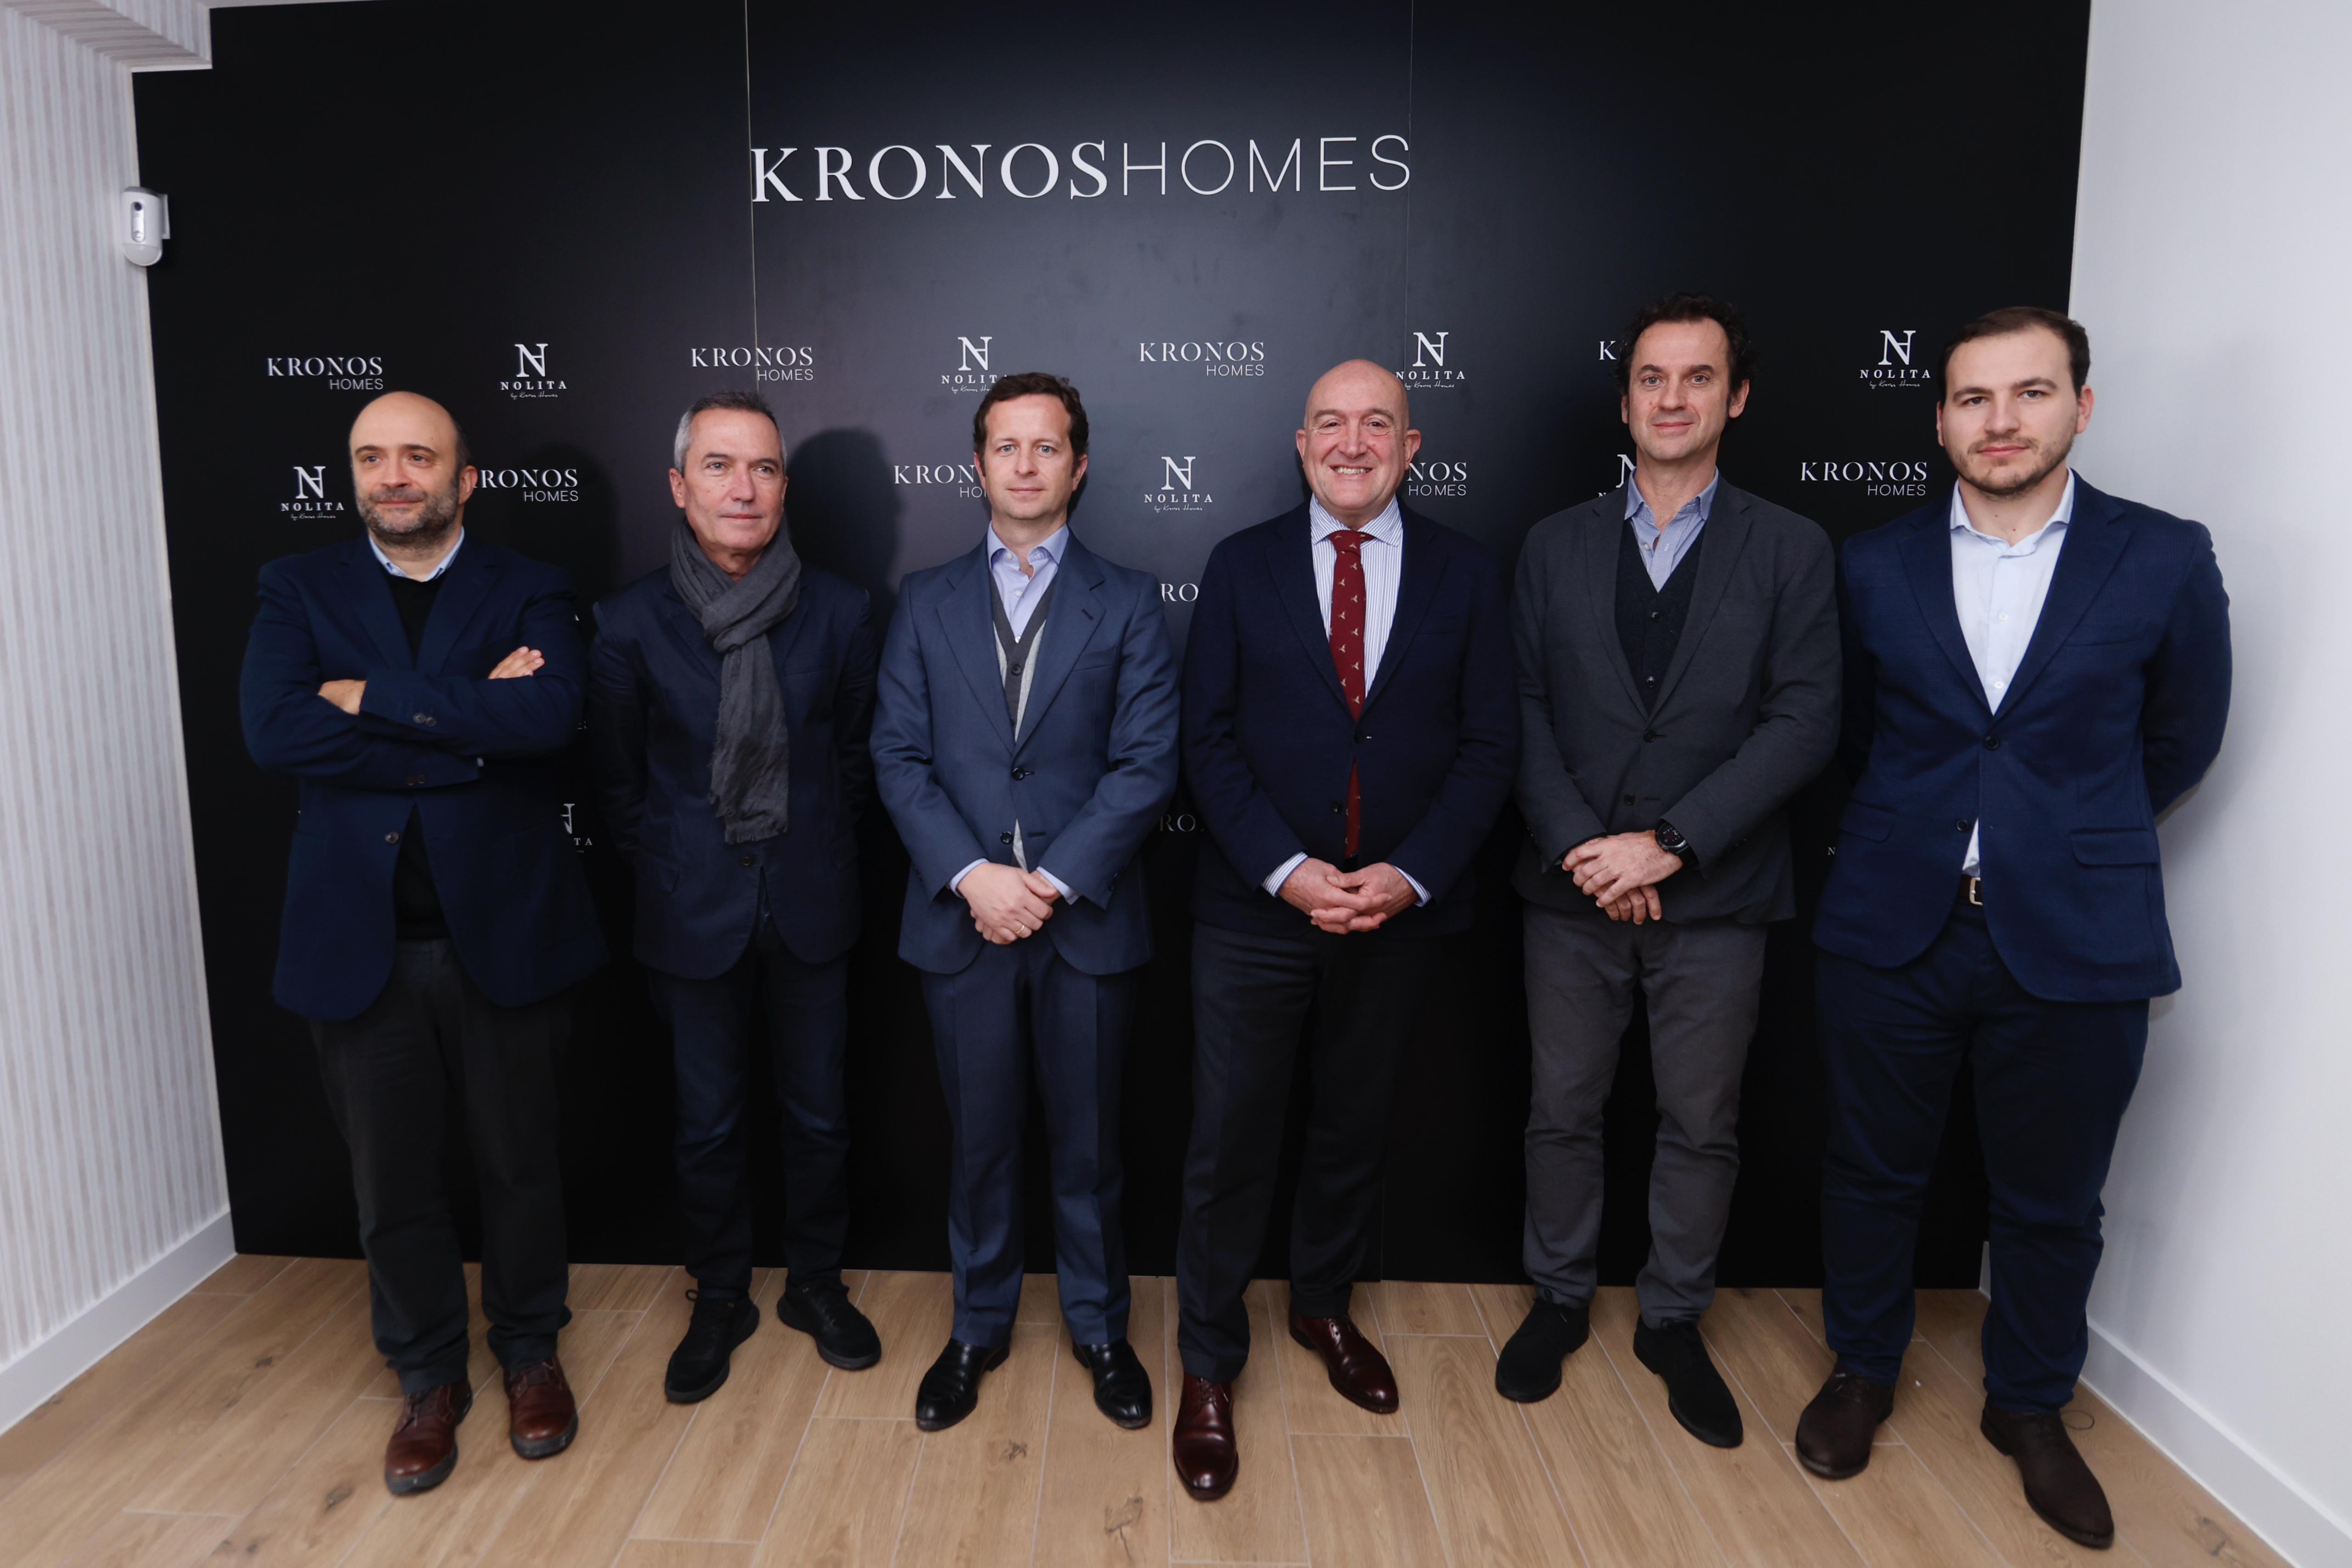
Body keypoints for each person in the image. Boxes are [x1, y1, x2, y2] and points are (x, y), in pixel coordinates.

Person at [1796, 308, 2231, 1550]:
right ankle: (1862, 1369)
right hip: (1895, 923)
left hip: (2078, 934)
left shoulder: (2162, 556)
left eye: (2030, 393)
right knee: (1871, 1173)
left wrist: (2058, 838)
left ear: (2079, 408)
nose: (2001, 421)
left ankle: (2029, 1404)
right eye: (1974, 399)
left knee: (2053, 1199)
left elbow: (2181, 739)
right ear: (1940, 421)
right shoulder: (1872, 563)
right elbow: (1853, 736)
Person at [240, 390, 605, 1495]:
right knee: (390, 1180)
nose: (393, 476)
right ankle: (427, 1374)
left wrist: (367, 698)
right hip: (360, 945)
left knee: (520, 1165)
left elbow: (547, 720)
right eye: (371, 457)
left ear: (464, 478)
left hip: (508, 932)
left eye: (416, 456)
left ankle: (530, 1351)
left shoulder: (529, 585)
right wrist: (463, 721)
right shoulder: (297, 586)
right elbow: (275, 730)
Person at [1171, 359, 1518, 1501]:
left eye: (1378, 424)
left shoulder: (1469, 572)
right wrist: (1287, 873)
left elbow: (1490, 747)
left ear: (1411, 448)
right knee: (1228, 1140)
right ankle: (1208, 1361)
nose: (1352, 442)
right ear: (1301, 443)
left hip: (1397, 914)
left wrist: (1409, 878)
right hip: (1257, 911)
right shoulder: (1240, 565)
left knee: (1353, 1126)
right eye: (1331, 423)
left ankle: (1322, 1307)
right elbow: (1206, 739)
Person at [1500, 293, 1839, 1445]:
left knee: (1701, 1123)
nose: (1673, 397)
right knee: (1561, 1111)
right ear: (1626, 399)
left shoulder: (1790, 548)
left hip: (1718, 894)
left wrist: (1671, 843)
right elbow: (1521, 711)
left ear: (1734, 398)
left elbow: (1804, 721)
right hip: (1569, 891)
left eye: (1698, 377)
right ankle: (1558, 1297)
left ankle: (1672, 1318)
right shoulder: (1553, 544)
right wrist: (1586, 851)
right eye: (1652, 377)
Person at [871, 372, 1180, 1433]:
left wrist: (1045, 884)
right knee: (980, 1145)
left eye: (1047, 447)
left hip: (1083, 922)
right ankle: (977, 1328)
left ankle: (1099, 1329)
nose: (1026, 465)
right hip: (961, 922)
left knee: (1090, 1149)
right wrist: (975, 877)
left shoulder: (1128, 600)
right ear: (978, 465)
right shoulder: (923, 601)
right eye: (1007, 446)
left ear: (1077, 467)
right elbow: (897, 756)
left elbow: (1146, 763)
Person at [588, 390, 882, 1403]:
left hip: (810, 901)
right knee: (707, 1126)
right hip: (691, 911)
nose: (742, 488)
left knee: (819, 1118)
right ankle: (719, 1293)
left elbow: (854, 764)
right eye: (719, 466)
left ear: (783, 487)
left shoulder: (841, 610)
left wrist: (808, 853)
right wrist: (682, 868)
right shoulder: (627, 622)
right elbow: (621, 788)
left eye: (762, 468)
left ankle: (814, 1284)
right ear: (680, 487)